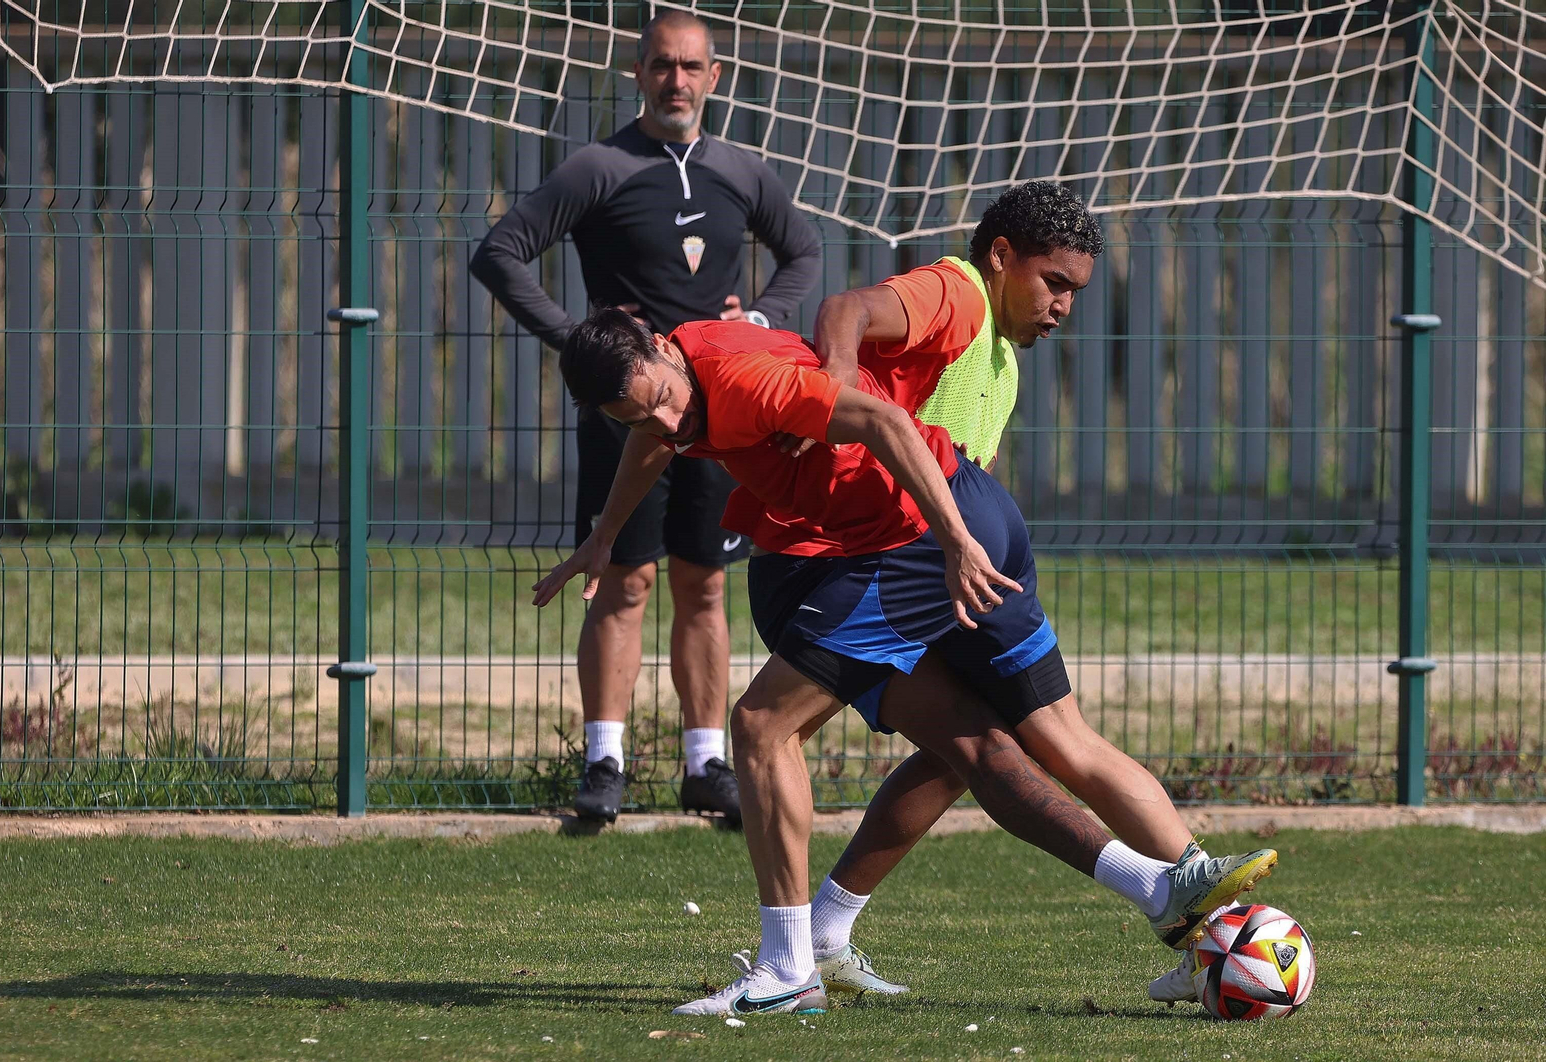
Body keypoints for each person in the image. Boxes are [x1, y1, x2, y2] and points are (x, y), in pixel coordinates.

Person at [533, 306, 1276, 1016]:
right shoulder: (679, 379)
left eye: (1068, 287)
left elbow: (875, 380)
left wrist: (952, 542)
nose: (663, 421)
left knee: (762, 726)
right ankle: (1177, 888)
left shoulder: (910, 305)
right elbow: (663, 431)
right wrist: (606, 535)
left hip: (913, 542)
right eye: (635, 416)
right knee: (992, 743)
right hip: (953, 519)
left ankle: (789, 970)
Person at [785, 182, 1232, 1004]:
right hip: (853, 569)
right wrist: (838, 391)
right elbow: (846, 308)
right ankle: (1213, 922)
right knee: (786, 729)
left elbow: (958, 480)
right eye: (1053, 282)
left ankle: (819, 936)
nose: (1063, 305)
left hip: (910, 568)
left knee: (973, 752)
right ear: (1001, 258)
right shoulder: (954, 291)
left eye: (1075, 291)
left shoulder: (1000, 362)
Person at [471, 10, 821, 825]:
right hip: (625, 420)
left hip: (720, 418)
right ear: (638, 73)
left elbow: (802, 252)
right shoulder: (601, 166)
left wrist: (761, 323)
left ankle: (706, 766)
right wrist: (585, 342)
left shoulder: (741, 169)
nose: (677, 81)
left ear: (715, 75)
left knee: (703, 586)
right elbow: (499, 252)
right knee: (620, 580)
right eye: (662, 66)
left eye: (692, 67)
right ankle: (605, 763)